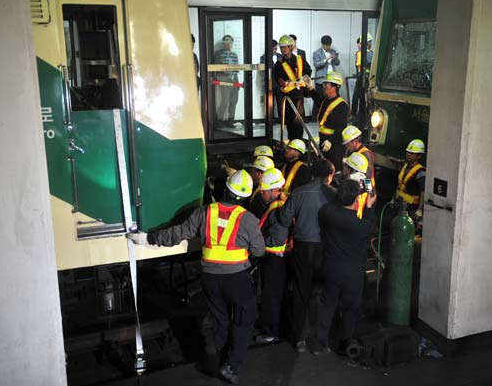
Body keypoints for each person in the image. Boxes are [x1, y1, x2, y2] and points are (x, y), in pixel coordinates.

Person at [127, 170, 265, 384]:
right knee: (243, 320)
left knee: (220, 320)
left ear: (226, 188)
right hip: (237, 278)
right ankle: (232, 367)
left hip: (210, 278)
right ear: (245, 196)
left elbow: (177, 233)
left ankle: (220, 358)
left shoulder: (204, 212)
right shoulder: (247, 219)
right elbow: (259, 250)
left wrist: (147, 238)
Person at [307, 179, 376, 355]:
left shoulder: (326, 213)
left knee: (327, 303)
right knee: (351, 307)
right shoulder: (360, 225)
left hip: (331, 268)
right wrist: (369, 206)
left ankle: (320, 343)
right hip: (352, 273)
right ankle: (347, 342)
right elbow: (369, 225)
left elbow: (336, 207)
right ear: (356, 200)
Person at [277, 158, 337, 352]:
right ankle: (321, 339)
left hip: (303, 248)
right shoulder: (334, 195)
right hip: (326, 249)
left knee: (301, 292)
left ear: (312, 173)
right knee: (324, 294)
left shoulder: (298, 192)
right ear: (328, 176)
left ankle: (299, 338)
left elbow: (285, 219)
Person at [249, 168, 292, 344]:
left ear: (275, 190)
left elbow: (275, 239)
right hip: (277, 258)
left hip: (275, 259)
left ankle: (271, 332)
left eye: (265, 191)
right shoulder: (280, 204)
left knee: (271, 296)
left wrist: (255, 242)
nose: (262, 195)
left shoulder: (278, 210)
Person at [306, 71, 348, 171]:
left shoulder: (341, 105)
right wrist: (310, 88)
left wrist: (331, 141)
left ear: (335, 87)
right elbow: (317, 99)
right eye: (324, 84)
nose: (324, 86)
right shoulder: (326, 100)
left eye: (327, 84)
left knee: (333, 169)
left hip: (334, 145)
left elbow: (341, 128)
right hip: (324, 141)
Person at [273, 35, 312, 140]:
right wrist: (281, 82)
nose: (283, 49)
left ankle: (299, 141)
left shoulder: (300, 59)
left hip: (298, 94)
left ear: (290, 47)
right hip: (286, 95)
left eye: (285, 47)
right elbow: (276, 76)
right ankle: (292, 141)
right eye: (281, 47)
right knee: (289, 120)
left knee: (298, 120)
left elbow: (308, 71)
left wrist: (304, 78)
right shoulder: (279, 63)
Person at [396, 139, 426, 222]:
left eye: (412, 153)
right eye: (408, 152)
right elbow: (399, 185)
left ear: (419, 156)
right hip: (400, 205)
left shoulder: (421, 172)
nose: (408, 155)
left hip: (412, 208)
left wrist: (419, 210)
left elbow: (423, 191)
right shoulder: (404, 166)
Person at [214, 35, 240, 126]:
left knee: (234, 99)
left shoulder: (234, 54)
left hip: (234, 77)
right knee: (225, 100)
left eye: (230, 42)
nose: (228, 44)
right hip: (224, 77)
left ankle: (231, 119)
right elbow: (216, 67)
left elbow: (237, 68)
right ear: (223, 43)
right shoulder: (218, 53)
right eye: (226, 42)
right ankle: (219, 120)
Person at [312, 35, 340, 119]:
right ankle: (315, 116)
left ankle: (331, 115)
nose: (328, 47)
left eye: (329, 45)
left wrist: (335, 58)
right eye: (326, 45)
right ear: (323, 44)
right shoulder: (317, 53)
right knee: (318, 98)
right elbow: (316, 64)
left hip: (332, 79)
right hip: (321, 79)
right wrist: (325, 60)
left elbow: (338, 63)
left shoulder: (333, 51)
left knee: (332, 97)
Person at [341, 152, 377, 218]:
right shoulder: (366, 180)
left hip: (351, 216)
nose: (345, 167)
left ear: (351, 169)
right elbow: (371, 192)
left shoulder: (348, 184)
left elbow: (371, 192)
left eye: (346, 165)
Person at [342, 125, 376, 194]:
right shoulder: (348, 151)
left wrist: (370, 194)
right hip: (353, 190)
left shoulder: (366, 154)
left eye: (348, 144)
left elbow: (367, 179)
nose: (347, 147)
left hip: (364, 193)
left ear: (355, 141)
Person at [350, 34, 373, 123]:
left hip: (365, 77)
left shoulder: (366, 53)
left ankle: (358, 116)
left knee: (360, 98)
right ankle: (356, 116)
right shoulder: (362, 53)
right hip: (363, 77)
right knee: (358, 98)